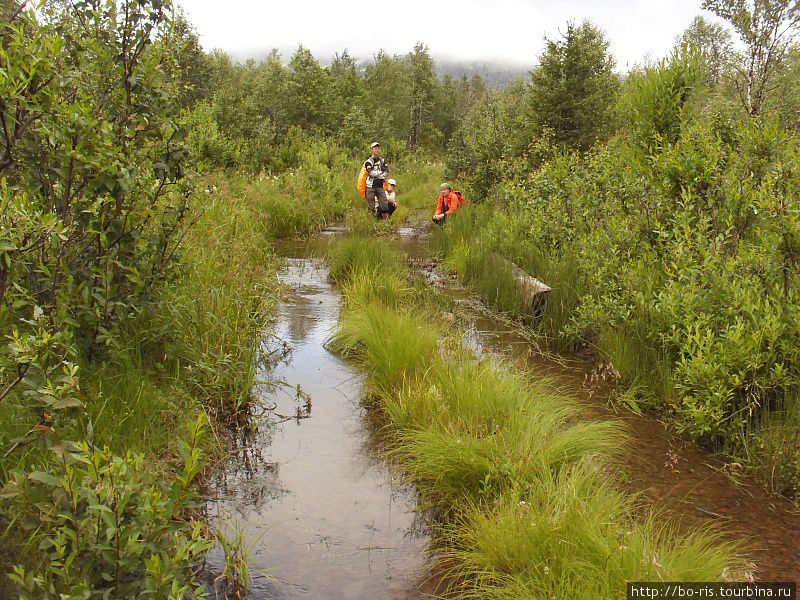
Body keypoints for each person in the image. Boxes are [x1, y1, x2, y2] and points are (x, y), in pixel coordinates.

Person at [364, 142, 389, 218]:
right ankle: (370, 222)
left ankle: (384, 222)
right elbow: (371, 173)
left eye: (378, 148)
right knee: (371, 207)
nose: (377, 150)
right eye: (375, 148)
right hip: (370, 187)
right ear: (372, 150)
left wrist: (379, 175)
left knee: (384, 206)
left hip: (380, 186)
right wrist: (381, 172)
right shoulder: (369, 162)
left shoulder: (383, 161)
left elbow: (387, 172)